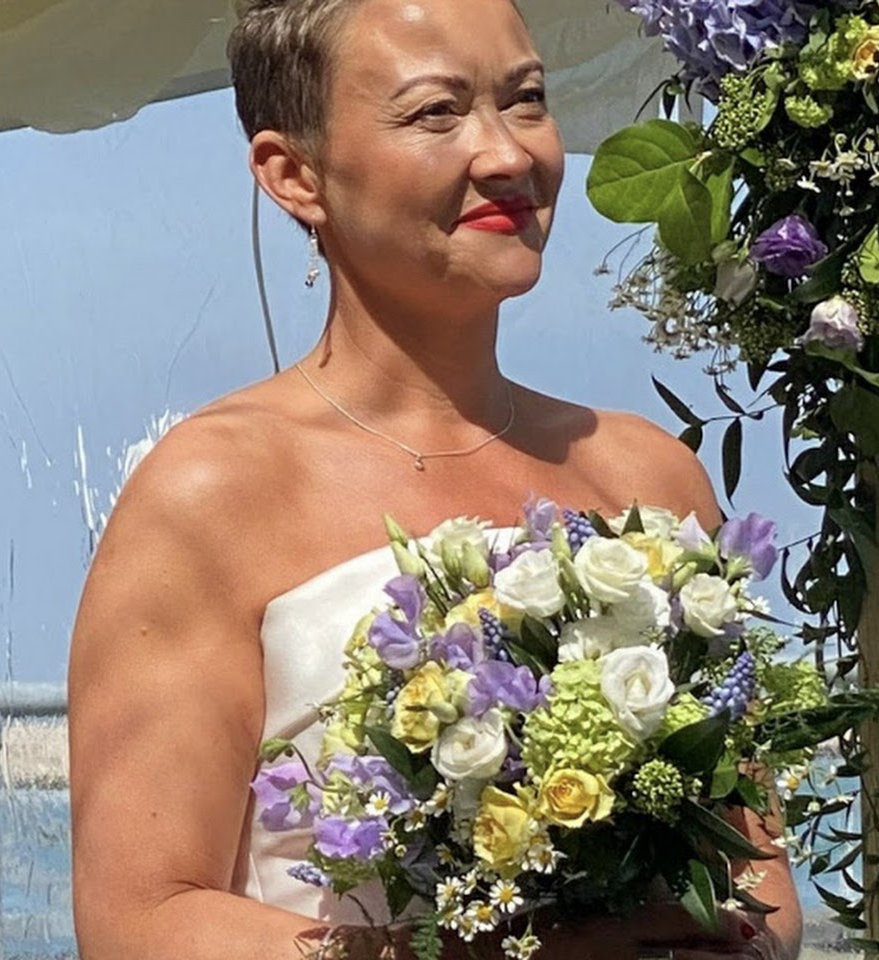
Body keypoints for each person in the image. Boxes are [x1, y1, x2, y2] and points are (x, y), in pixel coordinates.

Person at [67, 1, 804, 958]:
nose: (508, 154)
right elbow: (140, 923)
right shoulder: (211, 492)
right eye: (436, 113)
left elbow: (758, 873)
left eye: (526, 99)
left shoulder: (648, 472)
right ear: (293, 174)